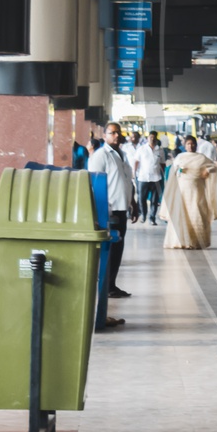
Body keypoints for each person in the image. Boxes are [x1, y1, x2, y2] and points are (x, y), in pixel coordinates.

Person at [88, 121, 138, 301]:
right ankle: (104, 285)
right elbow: (93, 183)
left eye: (118, 133)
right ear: (105, 135)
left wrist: (133, 202)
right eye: (113, 133)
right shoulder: (101, 156)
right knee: (109, 250)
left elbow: (127, 181)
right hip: (108, 210)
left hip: (122, 207)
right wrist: (96, 211)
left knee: (118, 249)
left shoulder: (122, 155)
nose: (116, 136)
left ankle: (111, 285)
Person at [160, 136, 217, 250]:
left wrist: (207, 170)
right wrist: (179, 170)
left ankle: (196, 241)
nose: (190, 146)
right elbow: (173, 171)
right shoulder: (180, 157)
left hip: (197, 191)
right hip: (182, 191)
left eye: (192, 144)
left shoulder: (201, 158)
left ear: (196, 145)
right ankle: (180, 241)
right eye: (188, 144)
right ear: (185, 145)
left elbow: (214, 167)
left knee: (197, 213)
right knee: (181, 214)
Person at [134, 131, 165, 225]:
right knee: (141, 198)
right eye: (150, 137)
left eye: (154, 137)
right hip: (143, 177)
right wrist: (134, 174)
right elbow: (136, 162)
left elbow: (162, 163)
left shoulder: (160, 150)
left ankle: (152, 218)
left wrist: (162, 174)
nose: (152, 139)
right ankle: (143, 215)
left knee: (154, 200)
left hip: (156, 178)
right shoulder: (141, 149)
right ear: (147, 138)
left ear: (156, 138)